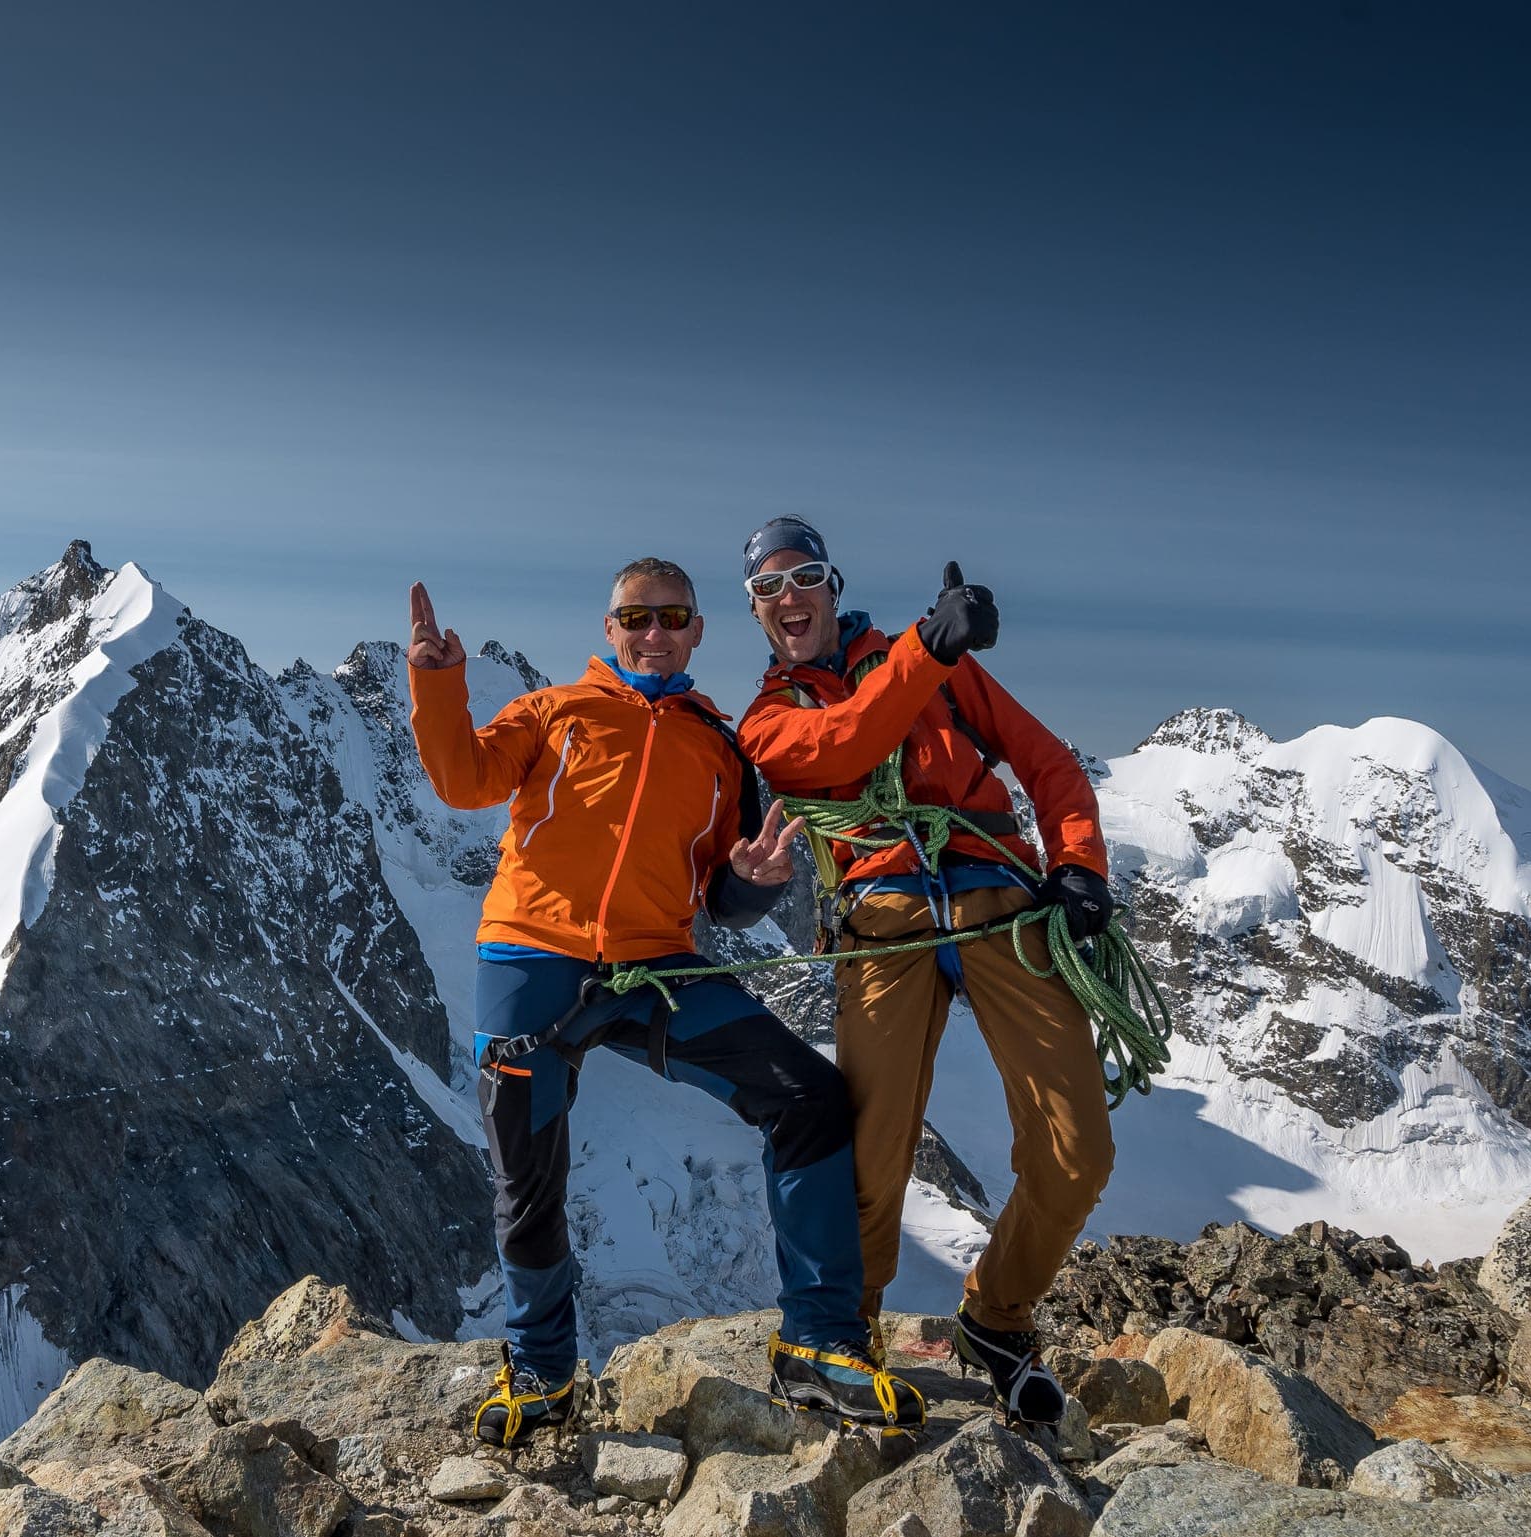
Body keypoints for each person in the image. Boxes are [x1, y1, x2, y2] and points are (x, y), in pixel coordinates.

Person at [407, 555, 987, 1442]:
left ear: (696, 631)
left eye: (670, 616)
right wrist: (438, 680)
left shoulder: (718, 744)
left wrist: (751, 882)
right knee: (526, 1173)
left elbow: (722, 890)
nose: (653, 632)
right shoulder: (552, 712)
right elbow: (461, 779)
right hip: (532, 952)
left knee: (806, 1097)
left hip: (655, 967)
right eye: (635, 617)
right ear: (609, 630)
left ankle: (820, 1341)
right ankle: (540, 1371)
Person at [735, 515, 1113, 1426]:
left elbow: (1046, 760)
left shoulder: (941, 666)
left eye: (805, 577)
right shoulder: (768, 719)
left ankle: (996, 1314)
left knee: (1077, 1147)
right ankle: (847, 1333)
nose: (790, 597)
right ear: (755, 611)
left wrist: (1079, 862)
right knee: (873, 1150)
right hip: (881, 922)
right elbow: (845, 746)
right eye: (768, 588)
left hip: (996, 898)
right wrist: (925, 649)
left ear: (832, 585)